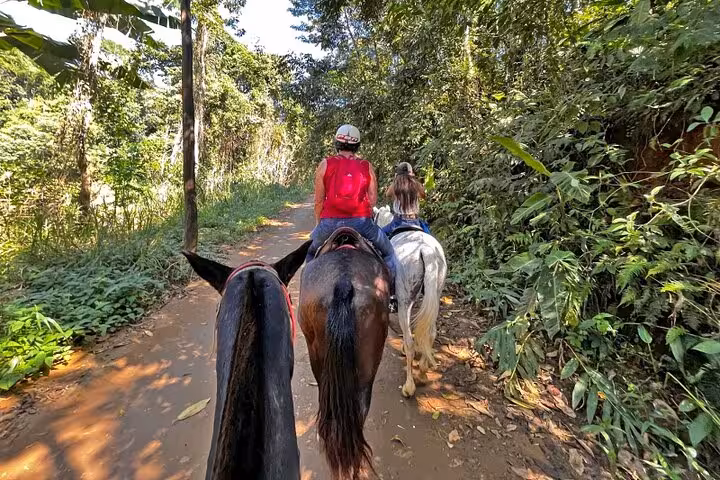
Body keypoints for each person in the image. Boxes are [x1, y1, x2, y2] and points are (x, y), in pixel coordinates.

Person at [306, 124, 400, 311]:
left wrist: (320, 225)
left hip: (330, 222)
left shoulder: (325, 164)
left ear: (337, 143)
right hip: (362, 223)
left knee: (308, 253)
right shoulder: (366, 166)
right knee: (389, 253)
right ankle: (392, 296)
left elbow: (318, 201)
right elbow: (372, 200)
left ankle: (307, 295)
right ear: (357, 146)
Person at [382, 162, 431, 236]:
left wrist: (395, 180)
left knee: (379, 235)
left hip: (399, 221)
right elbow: (423, 195)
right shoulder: (416, 185)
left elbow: (387, 194)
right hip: (415, 220)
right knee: (428, 236)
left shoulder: (396, 185)